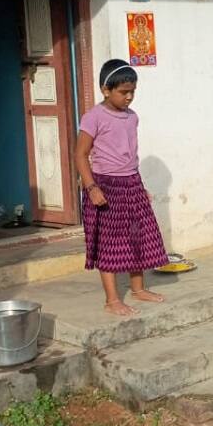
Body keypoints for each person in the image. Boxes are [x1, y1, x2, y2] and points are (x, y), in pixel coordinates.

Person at [75, 60, 168, 316]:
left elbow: (130, 155)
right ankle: (112, 299)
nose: (129, 97)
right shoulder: (93, 117)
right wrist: (91, 187)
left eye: (132, 92)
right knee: (110, 243)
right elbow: (80, 154)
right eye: (123, 92)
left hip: (131, 183)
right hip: (104, 186)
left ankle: (138, 289)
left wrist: (140, 185)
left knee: (138, 236)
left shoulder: (132, 117)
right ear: (106, 90)